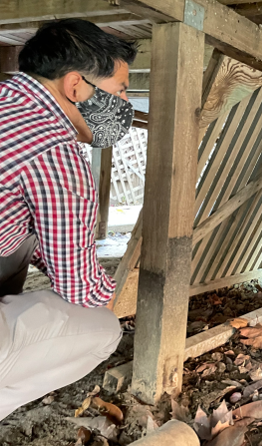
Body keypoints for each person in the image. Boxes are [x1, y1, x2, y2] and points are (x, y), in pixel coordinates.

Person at [0, 19, 137, 419]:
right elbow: (79, 288)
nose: (124, 105)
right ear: (75, 86)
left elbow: (16, 227)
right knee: (102, 328)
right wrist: (109, 294)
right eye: (120, 91)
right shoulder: (54, 150)